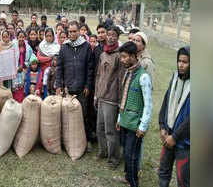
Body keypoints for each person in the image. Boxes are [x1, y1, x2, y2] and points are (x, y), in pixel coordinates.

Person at [114, 41, 152, 187]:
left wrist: (143, 126)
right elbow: (124, 97)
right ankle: (128, 178)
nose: (122, 60)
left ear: (133, 56)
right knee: (127, 154)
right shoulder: (128, 73)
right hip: (125, 121)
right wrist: (119, 118)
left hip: (135, 124)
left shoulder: (143, 77)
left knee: (131, 155)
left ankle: (133, 182)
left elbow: (148, 104)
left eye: (124, 57)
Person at [55, 20, 94, 152]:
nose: (72, 34)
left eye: (74, 31)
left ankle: (87, 140)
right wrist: (58, 84)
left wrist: (88, 85)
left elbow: (90, 68)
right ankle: (68, 141)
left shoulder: (86, 47)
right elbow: (59, 68)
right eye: (70, 31)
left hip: (82, 88)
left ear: (79, 31)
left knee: (83, 115)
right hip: (68, 87)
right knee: (67, 115)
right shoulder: (64, 47)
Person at [158, 46, 190, 187]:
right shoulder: (174, 77)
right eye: (179, 61)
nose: (181, 65)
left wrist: (175, 137)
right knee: (163, 172)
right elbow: (166, 101)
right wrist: (162, 126)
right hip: (168, 135)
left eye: (185, 62)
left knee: (183, 179)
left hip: (184, 142)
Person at [94, 25, 125, 168]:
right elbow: (99, 76)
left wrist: (119, 101)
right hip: (100, 96)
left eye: (114, 35)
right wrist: (96, 94)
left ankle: (114, 158)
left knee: (110, 130)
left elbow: (120, 80)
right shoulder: (102, 54)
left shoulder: (120, 56)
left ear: (117, 37)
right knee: (99, 127)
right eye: (109, 35)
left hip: (111, 99)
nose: (111, 37)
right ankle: (103, 151)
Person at [12, 31, 34, 103]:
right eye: (20, 37)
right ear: (17, 37)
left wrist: (24, 64)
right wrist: (16, 67)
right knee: (15, 90)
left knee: (22, 89)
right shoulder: (13, 46)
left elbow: (31, 59)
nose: (21, 38)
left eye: (23, 37)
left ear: (25, 38)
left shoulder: (28, 48)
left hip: (24, 70)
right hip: (14, 70)